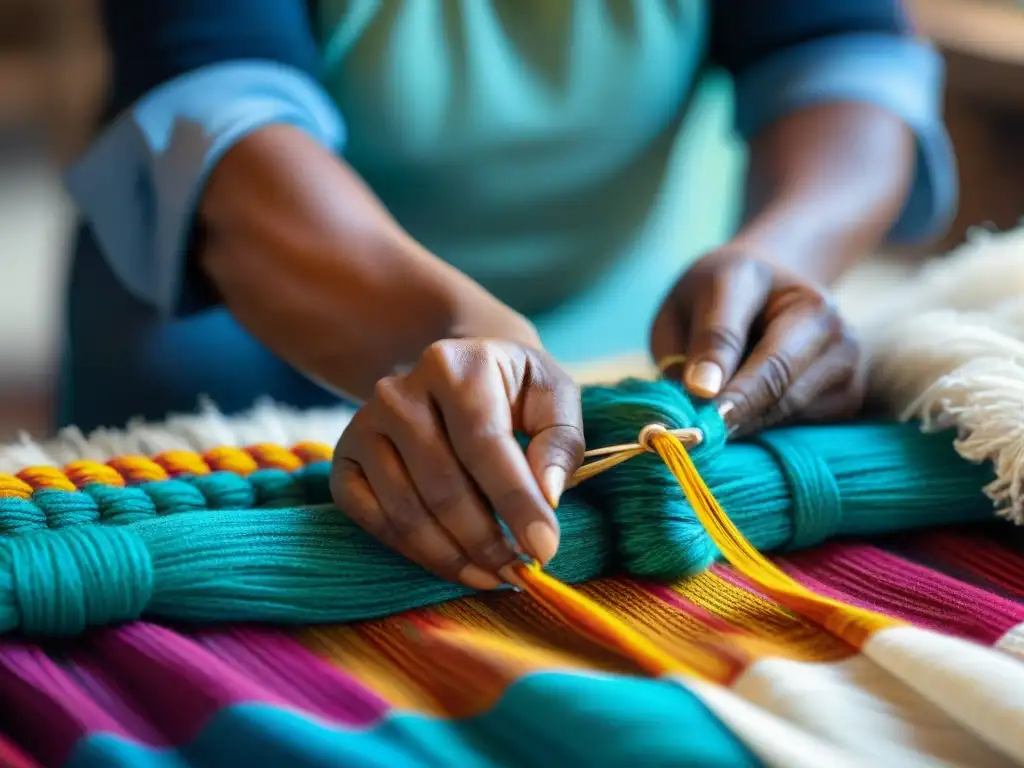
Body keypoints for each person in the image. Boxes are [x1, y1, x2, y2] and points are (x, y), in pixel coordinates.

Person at [65, 0, 953, 590]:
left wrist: (782, 254)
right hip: (221, 331)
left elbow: (839, 49)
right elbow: (218, 108)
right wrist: (445, 332)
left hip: (607, 329)